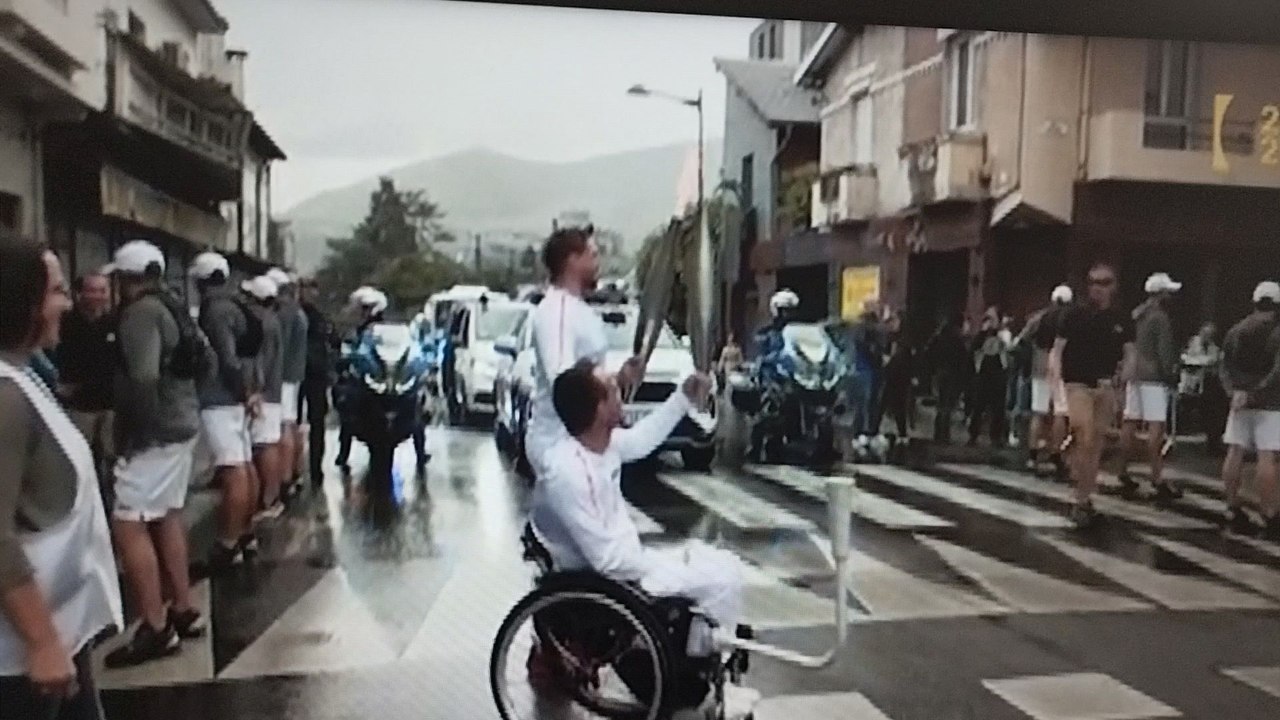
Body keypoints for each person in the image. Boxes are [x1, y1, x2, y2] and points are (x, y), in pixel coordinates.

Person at [527, 360, 758, 711]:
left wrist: (681, 399)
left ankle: (707, 668)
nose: (622, 395)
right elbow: (606, 559)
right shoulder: (568, 472)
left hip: (629, 563)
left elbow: (641, 440)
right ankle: (704, 674)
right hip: (613, 578)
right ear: (598, 409)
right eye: (614, 391)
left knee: (722, 563)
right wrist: (656, 564)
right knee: (720, 580)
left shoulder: (599, 446)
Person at [0, 235, 123, 720]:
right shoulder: (5, 397)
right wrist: (43, 642)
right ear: (23, 304)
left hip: (59, 639)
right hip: (23, 661)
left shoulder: (25, 376)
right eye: (56, 292)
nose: (66, 305)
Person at [102, 240, 206, 666]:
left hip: (155, 431)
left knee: (128, 522)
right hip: (183, 423)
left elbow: (143, 378)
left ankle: (156, 626)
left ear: (128, 279)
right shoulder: (177, 307)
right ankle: (182, 608)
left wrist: (133, 434)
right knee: (167, 514)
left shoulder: (141, 314)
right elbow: (209, 361)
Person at [525, 226, 643, 483]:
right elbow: (566, 384)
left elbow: (585, 377)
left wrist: (620, 378)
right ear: (572, 260)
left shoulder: (579, 309)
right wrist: (611, 390)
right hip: (559, 446)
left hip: (585, 446)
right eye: (593, 255)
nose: (598, 262)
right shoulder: (556, 312)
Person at [1050, 261, 1137, 528]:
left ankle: (1085, 497)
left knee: (1095, 445)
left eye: (1104, 283)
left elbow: (1131, 352)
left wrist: (1124, 378)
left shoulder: (1121, 319)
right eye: (1093, 283)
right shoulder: (1075, 315)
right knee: (1084, 434)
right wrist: (1057, 384)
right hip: (1078, 385)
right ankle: (1080, 494)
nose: (1098, 289)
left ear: (1114, 286)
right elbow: (1057, 350)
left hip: (1105, 385)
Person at [190, 251, 260, 570]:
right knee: (243, 465)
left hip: (221, 398)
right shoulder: (235, 304)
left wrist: (243, 392)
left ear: (200, 282)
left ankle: (228, 542)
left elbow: (226, 357)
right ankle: (245, 533)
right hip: (234, 397)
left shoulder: (215, 311)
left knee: (232, 470)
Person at [1219, 281, 1280, 538]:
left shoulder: (1236, 330)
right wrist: (1258, 392)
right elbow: (1278, 371)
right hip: (1270, 403)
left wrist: (1235, 393)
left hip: (1239, 401)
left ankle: (1232, 506)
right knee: (1267, 458)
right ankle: (1270, 512)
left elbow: (1224, 366)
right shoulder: (1278, 332)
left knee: (1235, 452)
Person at [1117, 273, 1182, 500]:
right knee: (1156, 426)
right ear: (1161, 294)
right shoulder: (1160, 318)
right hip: (1153, 376)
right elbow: (1164, 352)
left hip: (1133, 373)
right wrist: (1171, 373)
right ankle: (1157, 476)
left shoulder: (1137, 314)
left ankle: (1123, 469)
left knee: (1130, 421)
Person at [53, 273, 118, 501]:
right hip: (79, 405)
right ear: (80, 293)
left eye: (103, 290)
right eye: (93, 290)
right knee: (80, 459)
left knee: (112, 459)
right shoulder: (66, 323)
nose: (98, 296)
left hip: (110, 404)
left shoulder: (115, 322)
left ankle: (110, 505)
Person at [242, 275, 285, 519]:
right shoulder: (273, 320)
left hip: (266, 393)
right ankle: (271, 497)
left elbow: (263, 361)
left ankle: (270, 500)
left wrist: (256, 390)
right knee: (268, 443)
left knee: (265, 445)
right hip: (273, 390)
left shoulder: (263, 323)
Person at [1020, 285, 1074, 475]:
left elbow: (1023, 338)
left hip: (1040, 366)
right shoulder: (1069, 318)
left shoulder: (1040, 317)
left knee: (1038, 411)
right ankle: (1055, 454)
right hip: (1061, 367)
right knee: (1061, 411)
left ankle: (1032, 455)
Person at [333, 287, 387, 474]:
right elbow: (350, 349)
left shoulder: (385, 330)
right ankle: (343, 452)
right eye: (362, 308)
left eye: (366, 308)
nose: (362, 312)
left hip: (386, 377)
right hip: (362, 376)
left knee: (417, 407)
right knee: (346, 402)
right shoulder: (357, 330)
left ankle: (421, 451)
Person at [268, 268, 309, 498]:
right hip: (293, 376)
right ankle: (294, 472)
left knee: (284, 428)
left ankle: (284, 479)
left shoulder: (284, 313)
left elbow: (276, 347)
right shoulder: (298, 312)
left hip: (282, 377)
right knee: (292, 425)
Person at [299, 277, 337, 489]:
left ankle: (315, 468)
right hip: (299, 375)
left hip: (315, 377)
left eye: (312, 290)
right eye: (306, 290)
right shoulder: (297, 316)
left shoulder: (319, 318)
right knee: (296, 423)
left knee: (317, 424)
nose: (309, 294)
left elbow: (333, 342)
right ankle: (302, 469)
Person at [924, 312, 970, 444]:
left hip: (940, 373)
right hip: (953, 375)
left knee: (941, 404)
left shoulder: (939, 336)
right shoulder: (958, 339)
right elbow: (963, 359)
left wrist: (932, 370)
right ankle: (944, 434)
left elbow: (929, 354)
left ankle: (938, 433)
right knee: (948, 405)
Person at [1182, 321, 1227, 455]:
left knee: (1216, 409)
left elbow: (1215, 360)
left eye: (1211, 334)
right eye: (1206, 333)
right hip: (1191, 385)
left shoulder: (1214, 347)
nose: (1208, 336)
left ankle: (1213, 442)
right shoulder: (1192, 343)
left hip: (1209, 385)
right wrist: (1204, 361)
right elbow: (1186, 359)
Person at [967, 308, 1009, 447]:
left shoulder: (1003, 335)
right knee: (978, 406)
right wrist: (984, 332)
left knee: (998, 408)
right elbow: (973, 348)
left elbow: (1007, 350)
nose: (989, 321)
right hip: (983, 374)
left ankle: (996, 437)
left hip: (998, 374)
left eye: (992, 318)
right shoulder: (982, 335)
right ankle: (973, 435)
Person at [881, 310, 916, 440]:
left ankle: (902, 433)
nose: (893, 323)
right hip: (890, 374)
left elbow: (909, 359)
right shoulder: (890, 337)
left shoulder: (905, 340)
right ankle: (874, 430)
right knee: (883, 403)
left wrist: (912, 375)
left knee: (898, 405)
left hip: (900, 376)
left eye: (895, 320)